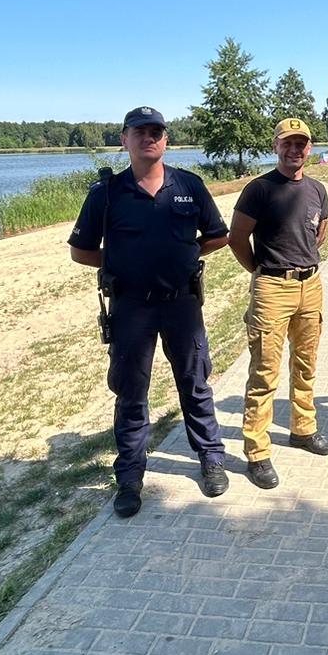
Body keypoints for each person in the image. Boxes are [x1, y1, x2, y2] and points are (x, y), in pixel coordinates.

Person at [68, 106, 232, 518]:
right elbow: (81, 251)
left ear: (166, 140)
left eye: (156, 131)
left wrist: (187, 254)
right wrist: (120, 262)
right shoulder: (106, 193)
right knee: (131, 393)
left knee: (195, 383)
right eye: (140, 131)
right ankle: (129, 477)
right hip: (131, 308)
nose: (149, 138)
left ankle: (211, 458)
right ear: (124, 139)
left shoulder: (189, 185)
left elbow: (218, 236)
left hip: (182, 304)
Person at [227, 117, 328, 489]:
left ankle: (303, 429)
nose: (294, 150)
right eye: (287, 143)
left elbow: (320, 231)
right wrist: (261, 271)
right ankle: (257, 452)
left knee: (306, 365)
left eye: (301, 143)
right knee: (264, 372)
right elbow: (237, 238)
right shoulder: (259, 190)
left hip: (311, 285)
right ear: (275, 146)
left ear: (310, 148)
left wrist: (303, 264)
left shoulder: (317, 189)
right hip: (272, 288)